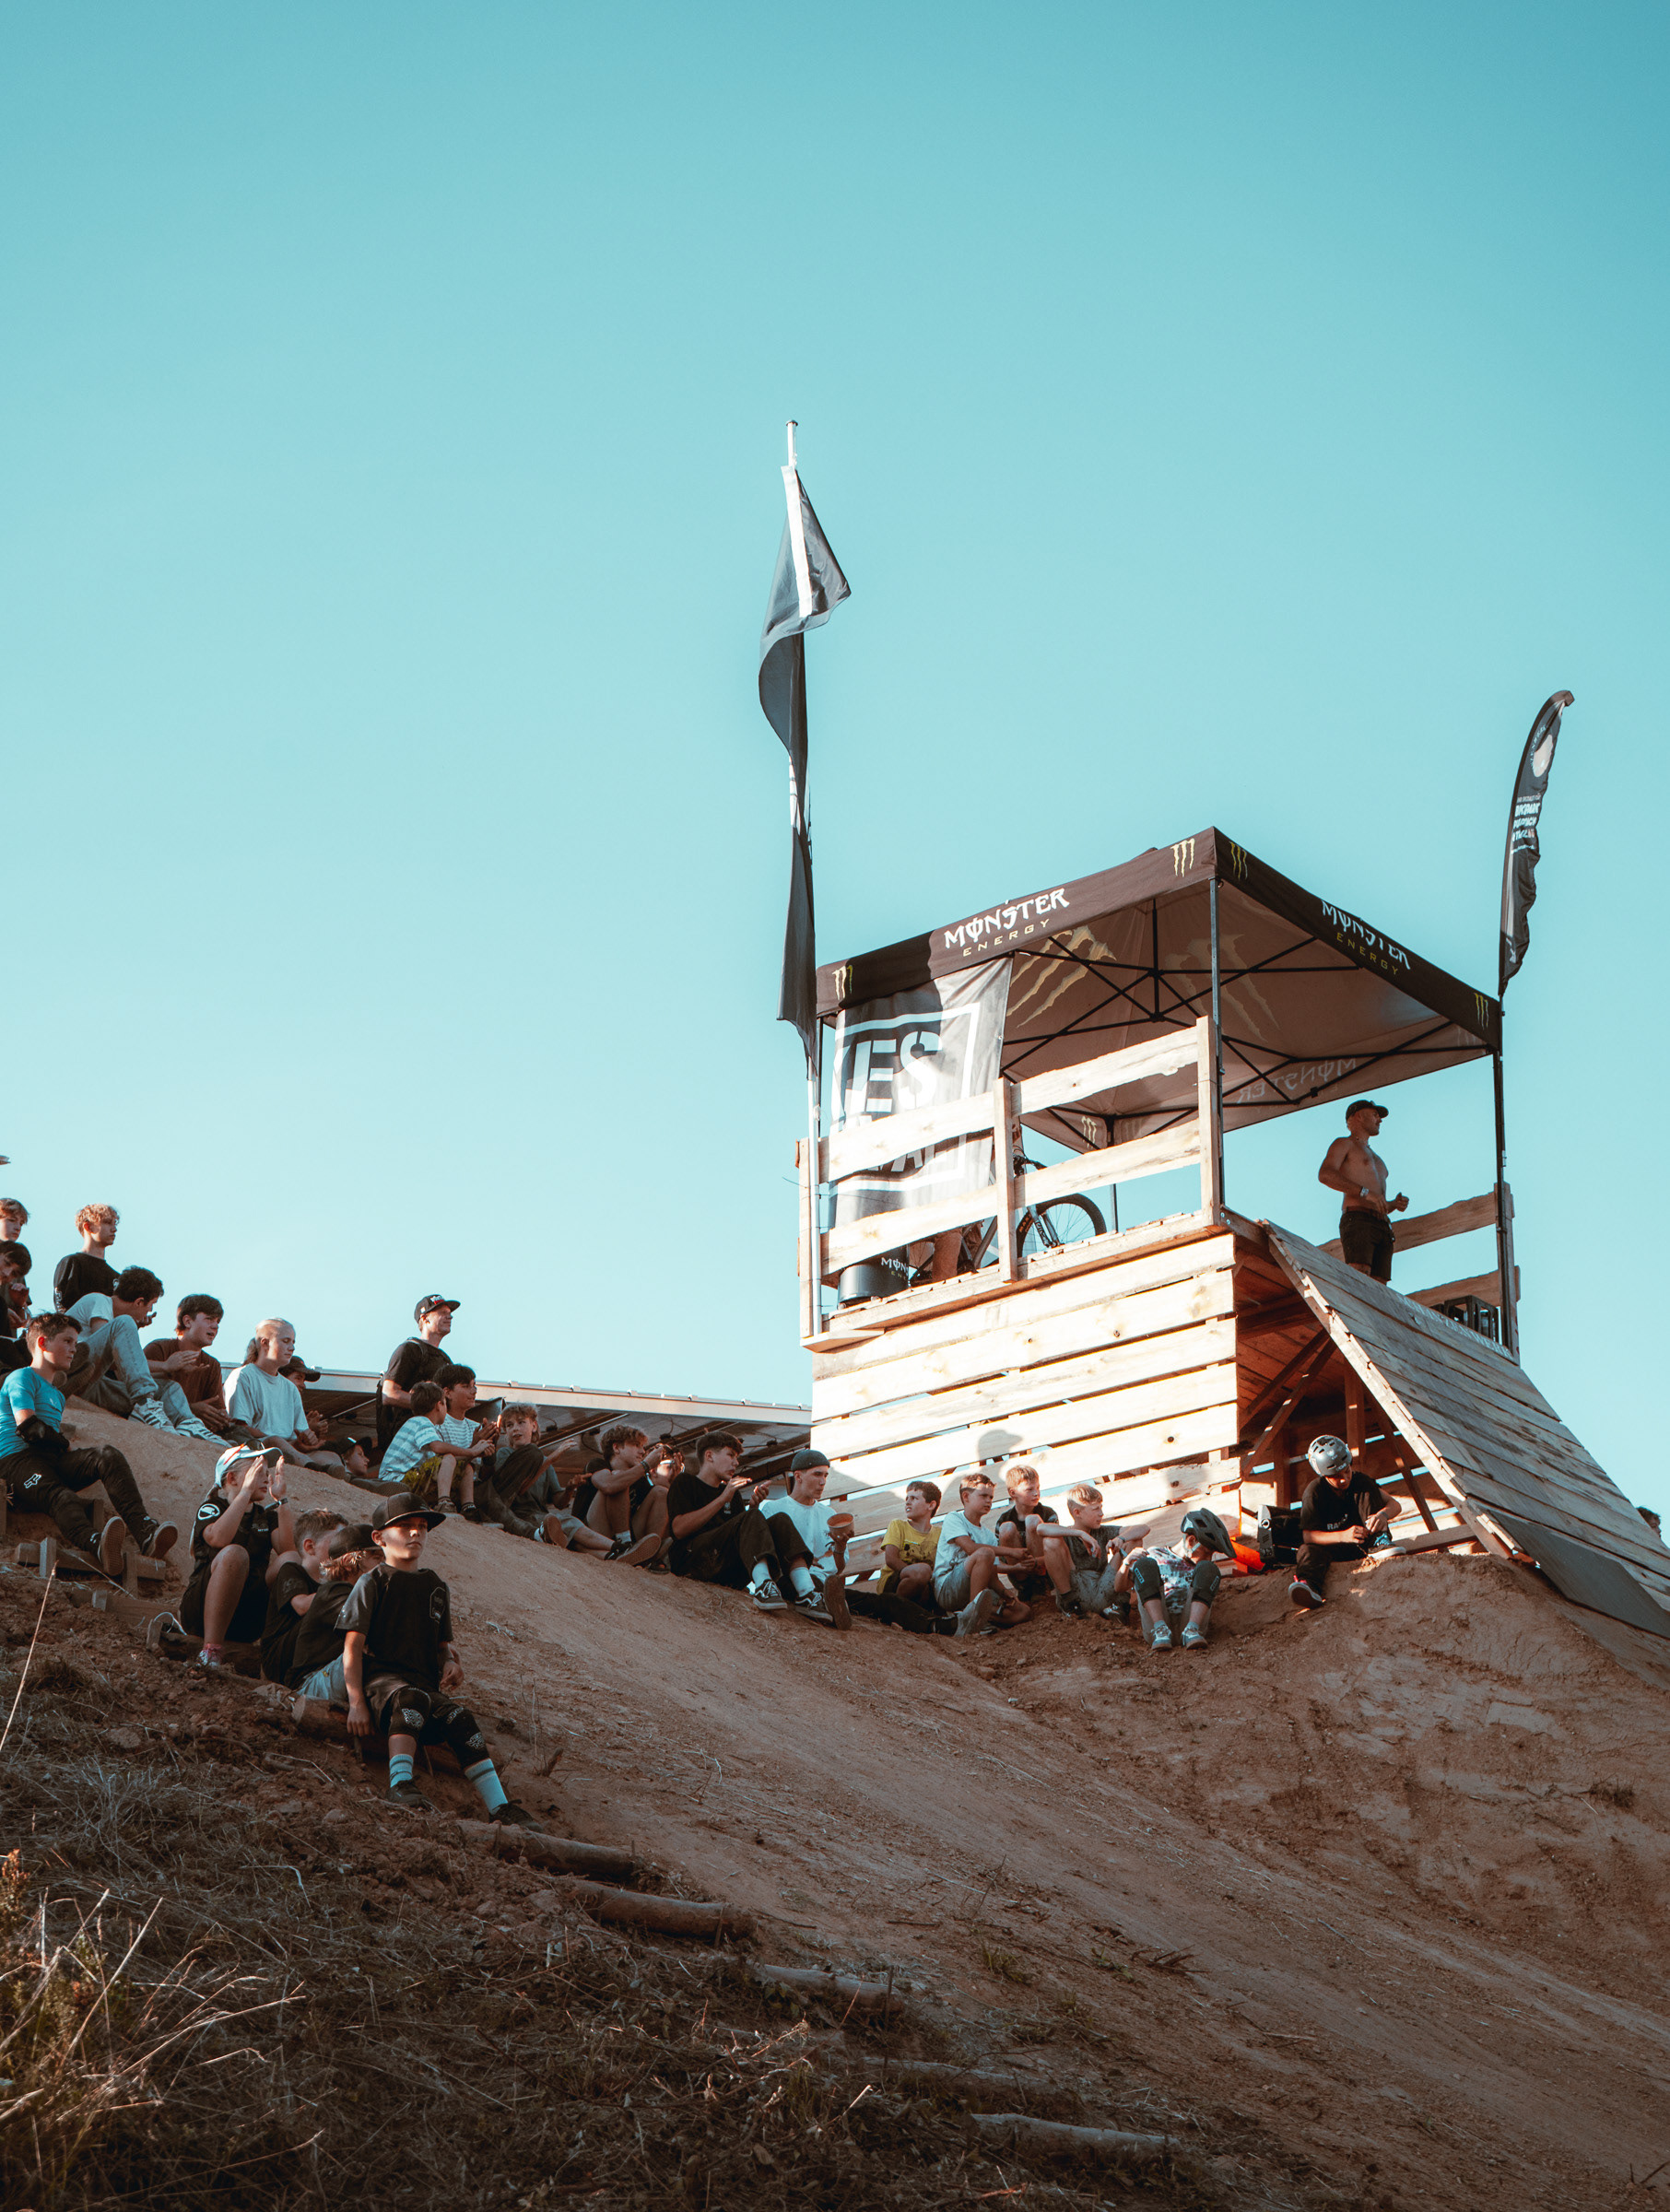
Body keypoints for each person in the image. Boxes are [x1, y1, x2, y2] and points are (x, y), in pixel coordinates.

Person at [341, 1496, 535, 1822]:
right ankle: (399, 1784)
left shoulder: (435, 1586)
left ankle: (499, 1806)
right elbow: (352, 1647)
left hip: (424, 1689)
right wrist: (356, 1703)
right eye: (405, 1526)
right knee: (411, 1698)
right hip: (383, 1689)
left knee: (460, 1717)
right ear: (379, 1537)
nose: (415, 1533)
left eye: (422, 1527)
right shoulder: (371, 1582)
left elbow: (441, 1645)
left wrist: (450, 1663)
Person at [0, 1312, 177, 1571]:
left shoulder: (57, 1395)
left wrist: (66, 1449)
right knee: (63, 1497)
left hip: (50, 1460)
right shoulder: (21, 1377)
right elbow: (29, 1428)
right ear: (43, 1343)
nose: (74, 1349)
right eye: (67, 1341)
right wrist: (65, 1445)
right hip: (17, 1462)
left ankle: (145, 1532)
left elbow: (49, 1437)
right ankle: (98, 1545)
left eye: (75, 1342)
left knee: (107, 1455)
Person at [778, 1451, 997, 1638]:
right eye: (817, 1474)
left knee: (884, 1603)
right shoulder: (776, 1509)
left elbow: (837, 1569)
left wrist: (841, 1547)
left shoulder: (829, 1514)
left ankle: (945, 1625)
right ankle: (828, 1607)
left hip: (827, 1583)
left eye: (826, 1475)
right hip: (795, 1582)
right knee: (824, 1588)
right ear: (798, 1476)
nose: (823, 1482)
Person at [665, 1434, 834, 1619]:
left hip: (727, 1570)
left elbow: (741, 1536)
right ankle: (763, 1585)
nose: (736, 1462)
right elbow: (679, 1530)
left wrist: (754, 1507)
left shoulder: (732, 1495)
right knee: (751, 1516)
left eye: (737, 1457)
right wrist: (723, 1499)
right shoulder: (686, 1483)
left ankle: (806, 1592)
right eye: (730, 1455)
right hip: (693, 1563)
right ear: (710, 1456)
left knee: (781, 1520)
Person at [63, 1267, 221, 1441]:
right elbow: (112, 1357)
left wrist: (135, 1329)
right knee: (124, 1322)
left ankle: (189, 1424)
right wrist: (165, 1365)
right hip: (69, 1375)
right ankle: (145, 1403)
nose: (149, 1311)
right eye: (151, 1304)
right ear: (139, 1302)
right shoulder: (99, 1300)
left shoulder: (115, 1322)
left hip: (94, 1385)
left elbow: (115, 1362)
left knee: (169, 1387)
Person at [181, 1445, 296, 1668]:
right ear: (232, 1478)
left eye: (267, 1472)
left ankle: (277, 1646)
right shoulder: (213, 1507)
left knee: (291, 1560)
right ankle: (210, 1651)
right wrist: (245, 1493)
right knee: (235, 1554)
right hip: (200, 1614)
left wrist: (282, 1499)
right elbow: (218, 1538)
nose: (266, 1478)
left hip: (247, 1618)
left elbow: (288, 1551)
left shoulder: (265, 1516)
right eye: (257, 1472)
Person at [478, 1403, 627, 1554]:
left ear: (534, 1426)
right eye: (509, 1425)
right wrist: (550, 1460)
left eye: (521, 1422)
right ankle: (618, 1547)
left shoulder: (544, 1462)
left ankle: (613, 1556)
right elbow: (519, 1489)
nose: (515, 1428)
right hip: (517, 1513)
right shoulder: (505, 1454)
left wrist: (569, 1489)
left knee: (573, 1539)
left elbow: (559, 1502)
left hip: (539, 1514)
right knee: (569, 1523)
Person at [1290, 1435, 1395, 1609]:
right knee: (1307, 1551)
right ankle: (1309, 1586)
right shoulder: (1314, 1492)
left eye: (1347, 1471)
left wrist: (1382, 1515)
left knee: (1366, 1485)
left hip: (1364, 1543)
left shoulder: (1360, 1481)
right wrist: (1343, 1536)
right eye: (1336, 1476)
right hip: (1331, 1550)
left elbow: (1394, 1504)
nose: (1344, 1479)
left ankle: (1379, 1541)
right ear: (1324, 1475)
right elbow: (1308, 1536)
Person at [222, 1320, 341, 1469]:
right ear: (265, 1343)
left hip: (291, 1450)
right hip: (257, 1448)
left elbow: (299, 1435)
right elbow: (240, 1428)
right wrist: (284, 1442)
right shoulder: (243, 1376)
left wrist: (307, 1438)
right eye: (286, 1341)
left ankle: (348, 1479)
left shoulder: (291, 1389)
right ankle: (314, 1468)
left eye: (293, 1342)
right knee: (276, 1441)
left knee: (331, 1457)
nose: (292, 1348)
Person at [1318, 1100, 1409, 1284]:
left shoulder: (1377, 1158)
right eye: (1375, 1115)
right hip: (1358, 1218)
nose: (1379, 1120)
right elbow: (1325, 1174)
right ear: (1358, 1116)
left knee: (1380, 1286)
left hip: (1382, 1224)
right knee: (1359, 1276)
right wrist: (1365, 1192)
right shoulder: (1344, 1144)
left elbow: (1378, 1202)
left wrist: (1392, 1204)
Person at [1122, 1507, 1237, 1650]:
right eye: (1206, 1553)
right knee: (1145, 1564)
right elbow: (1119, 1587)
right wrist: (1126, 1563)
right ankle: (1160, 1629)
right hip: (1157, 1624)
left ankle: (1192, 1630)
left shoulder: (1201, 1569)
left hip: (1189, 1623)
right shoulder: (1155, 1554)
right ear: (1191, 1541)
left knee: (1209, 1568)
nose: (1209, 1558)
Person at [290, 1522, 381, 1703]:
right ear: (348, 1562)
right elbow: (375, 1627)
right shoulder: (333, 1592)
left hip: (333, 1679)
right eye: (377, 1558)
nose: (384, 1565)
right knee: (370, 1647)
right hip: (310, 1685)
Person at [260, 1507, 347, 1684]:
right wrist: (345, 1589)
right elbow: (301, 1606)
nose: (344, 1550)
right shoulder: (292, 1571)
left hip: (310, 1656)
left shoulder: (335, 1583)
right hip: (279, 1659)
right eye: (338, 1542)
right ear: (310, 1547)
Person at [931, 1474, 1029, 1628]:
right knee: (985, 1553)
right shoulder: (954, 1518)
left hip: (975, 1590)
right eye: (983, 1496)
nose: (989, 1500)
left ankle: (972, 1617)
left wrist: (1004, 1592)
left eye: (991, 1497)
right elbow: (970, 1548)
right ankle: (973, 1617)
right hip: (948, 1589)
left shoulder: (988, 1536)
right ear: (966, 1496)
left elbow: (992, 1576)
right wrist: (1011, 1552)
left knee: (1023, 1612)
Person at [145, 1296, 241, 1439]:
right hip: (160, 1430)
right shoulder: (159, 1349)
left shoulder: (212, 1365)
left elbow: (216, 1408)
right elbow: (141, 1399)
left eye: (218, 1321)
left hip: (200, 1433)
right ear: (187, 1321)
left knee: (238, 1433)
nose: (215, 1326)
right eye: (209, 1319)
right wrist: (192, 1409)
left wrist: (220, 1417)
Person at [1038, 1483, 1136, 1621]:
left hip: (1102, 1588)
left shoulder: (1102, 1531)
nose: (1101, 1513)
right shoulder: (1066, 1534)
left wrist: (1121, 1539)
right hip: (1077, 1592)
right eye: (1096, 1509)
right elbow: (1041, 1529)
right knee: (1050, 1542)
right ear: (1077, 1513)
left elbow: (1143, 1528)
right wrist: (1080, 1534)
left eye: (1101, 1507)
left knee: (1133, 1539)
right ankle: (1070, 1606)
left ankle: (1120, 1604)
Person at [377, 1296, 460, 1452]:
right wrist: (429, 1406)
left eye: (450, 1313)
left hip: (433, 1439)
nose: (450, 1317)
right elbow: (389, 1394)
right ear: (425, 1318)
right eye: (442, 1313)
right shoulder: (409, 1349)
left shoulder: (445, 1359)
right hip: (408, 1442)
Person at [993, 1463, 1060, 1603]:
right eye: (1029, 1489)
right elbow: (1000, 1559)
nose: (1036, 1493)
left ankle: (1040, 1585)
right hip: (1019, 1573)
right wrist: (1015, 1567)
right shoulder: (1003, 1520)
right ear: (1013, 1493)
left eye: (1038, 1488)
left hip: (1046, 1573)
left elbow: (1057, 1550)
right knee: (1006, 1528)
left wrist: (1036, 1561)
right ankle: (1024, 1587)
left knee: (1033, 1520)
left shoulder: (1048, 1514)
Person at [879, 1479, 941, 1602]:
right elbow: (891, 1559)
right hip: (894, 1583)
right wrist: (917, 1574)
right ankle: (894, 1607)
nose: (907, 1502)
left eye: (914, 1498)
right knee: (923, 1571)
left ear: (931, 1505)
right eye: (907, 1498)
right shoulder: (898, 1525)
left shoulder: (940, 1534)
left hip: (925, 1585)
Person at [53, 1204, 120, 1312]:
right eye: (107, 1222)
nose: (114, 1229)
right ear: (88, 1226)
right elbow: (62, 1306)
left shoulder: (115, 1276)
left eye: (114, 1223)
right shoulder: (72, 1263)